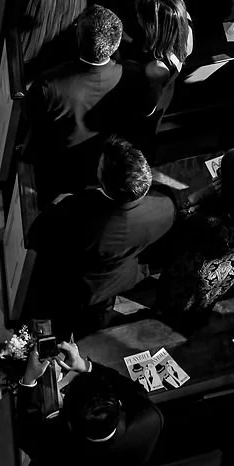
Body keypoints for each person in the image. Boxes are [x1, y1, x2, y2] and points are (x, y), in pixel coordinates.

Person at [25, 136, 176, 336]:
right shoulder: (167, 206)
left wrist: (56, 205)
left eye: (100, 165)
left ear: (105, 182)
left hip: (78, 286)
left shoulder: (80, 217)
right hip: (119, 276)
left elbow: (36, 236)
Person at [15, 339, 163, 466]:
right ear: (118, 405)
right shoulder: (150, 419)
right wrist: (85, 366)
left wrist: (29, 379)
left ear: (69, 421)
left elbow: (25, 432)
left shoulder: (55, 445)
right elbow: (133, 390)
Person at [155, 146, 234, 315]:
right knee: (205, 303)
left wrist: (203, 193)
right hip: (233, 266)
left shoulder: (214, 223)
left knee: (177, 303)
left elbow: (181, 215)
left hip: (196, 270)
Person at [25, 5, 136, 198]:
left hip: (55, 164)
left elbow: (31, 118)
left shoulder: (49, 84)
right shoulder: (131, 75)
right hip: (100, 164)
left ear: (78, 37)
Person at [129, 0, 194, 146]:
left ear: (152, 25)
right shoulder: (185, 26)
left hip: (151, 106)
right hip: (167, 90)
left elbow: (148, 108)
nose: (137, 17)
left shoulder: (156, 68)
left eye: (139, 15)